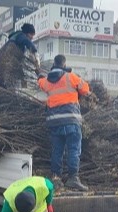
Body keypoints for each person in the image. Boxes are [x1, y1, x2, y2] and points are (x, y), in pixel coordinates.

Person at [38, 54, 91, 191]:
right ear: (64, 64)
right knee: (73, 149)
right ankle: (73, 178)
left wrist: (39, 73)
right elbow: (85, 89)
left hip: (54, 122)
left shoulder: (48, 81)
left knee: (57, 150)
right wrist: (71, 73)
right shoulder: (70, 77)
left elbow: (40, 82)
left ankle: (56, 178)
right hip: (71, 120)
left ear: (54, 65)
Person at [0, 23, 40, 89]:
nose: (32, 37)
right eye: (31, 34)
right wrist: (35, 53)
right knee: (9, 89)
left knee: (4, 90)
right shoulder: (20, 36)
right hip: (3, 67)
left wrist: (23, 78)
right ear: (26, 33)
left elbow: (17, 63)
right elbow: (27, 42)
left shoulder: (15, 41)